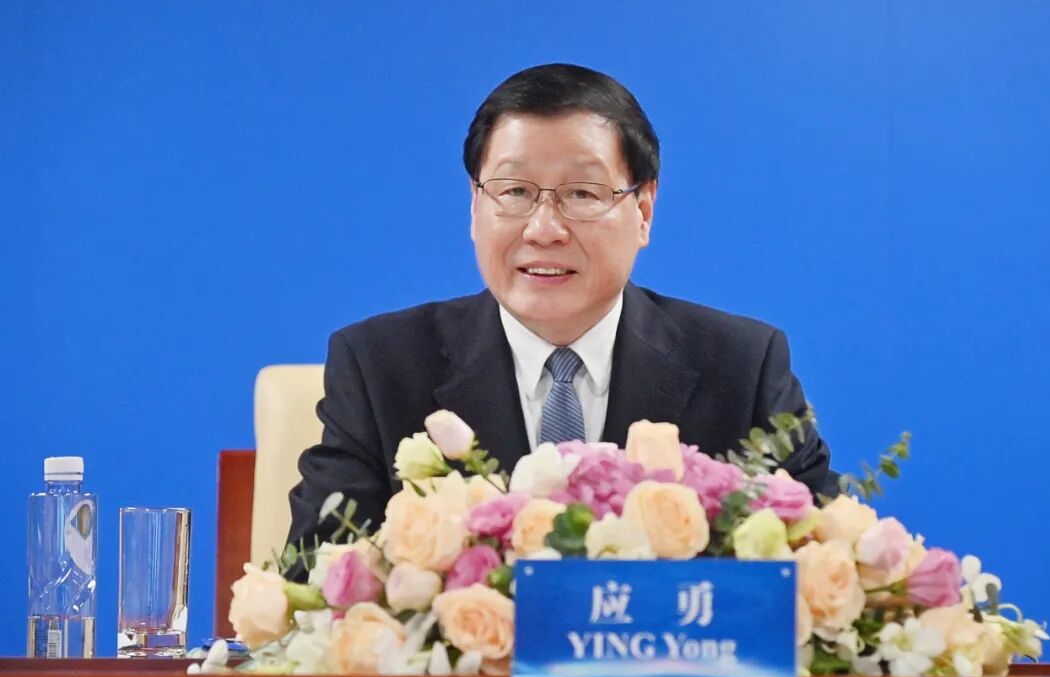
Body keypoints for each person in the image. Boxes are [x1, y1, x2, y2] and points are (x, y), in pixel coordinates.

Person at [285, 63, 835, 565]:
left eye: (582, 194)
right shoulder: (379, 368)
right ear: (475, 206)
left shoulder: (742, 367)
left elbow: (826, 563)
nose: (543, 229)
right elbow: (315, 578)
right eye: (515, 191)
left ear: (643, 211)